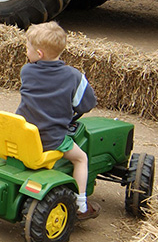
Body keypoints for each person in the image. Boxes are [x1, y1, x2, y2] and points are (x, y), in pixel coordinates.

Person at [16, 21, 100, 221]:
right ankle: (81, 204)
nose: (26, 52)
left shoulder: (26, 72)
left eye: (28, 48)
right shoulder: (74, 76)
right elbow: (87, 103)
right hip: (51, 139)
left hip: (25, 135)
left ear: (39, 53)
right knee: (81, 159)